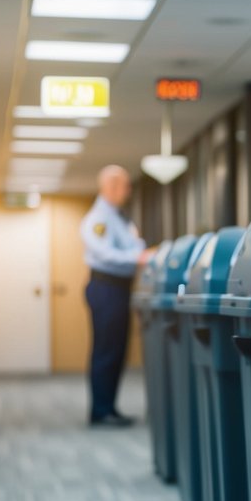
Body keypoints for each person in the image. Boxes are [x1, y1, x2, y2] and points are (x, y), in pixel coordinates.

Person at [80, 165, 154, 428]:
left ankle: (109, 406)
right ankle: (100, 411)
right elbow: (104, 254)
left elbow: (134, 245)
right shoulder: (98, 218)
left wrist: (141, 254)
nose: (129, 190)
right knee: (106, 351)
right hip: (105, 288)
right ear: (111, 186)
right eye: (125, 185)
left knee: (117, 350)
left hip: (119, 288)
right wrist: (138, 257)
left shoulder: (119, 217)